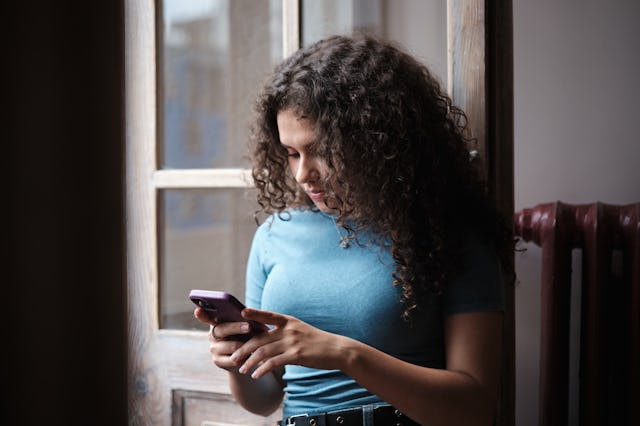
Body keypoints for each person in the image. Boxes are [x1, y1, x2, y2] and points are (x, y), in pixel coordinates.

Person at [194, 34, 514, 426]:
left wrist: (341, 352)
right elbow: (264, 400)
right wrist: (236, 363)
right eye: (291, 153)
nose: (302, 174)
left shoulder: (448, 234)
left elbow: (475, 408)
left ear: (375, 141)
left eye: (322, 151)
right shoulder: (274, 236)